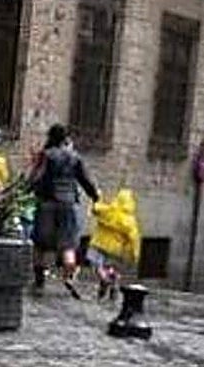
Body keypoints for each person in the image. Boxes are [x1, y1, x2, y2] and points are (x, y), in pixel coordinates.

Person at [30, 123, 100, 294]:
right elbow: (86, 181)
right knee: (68, 243)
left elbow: (36, 177)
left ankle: (39, 281)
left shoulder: (46, 155)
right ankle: (68, 276)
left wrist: (27, 190)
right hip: (69, 205)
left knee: (41, 244)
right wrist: (95, 196)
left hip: (47, 202)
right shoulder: (75, 157)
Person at [87, 188, 142, 300]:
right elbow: (134, 239)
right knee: (112, 269)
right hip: (116, 249)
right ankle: (113, 287)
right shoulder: (131, 221)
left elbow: (95, 209)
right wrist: (134, 254)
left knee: (97, 265)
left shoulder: (109, 211)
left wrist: (98, 197)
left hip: (99, 244)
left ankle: (104, 280)